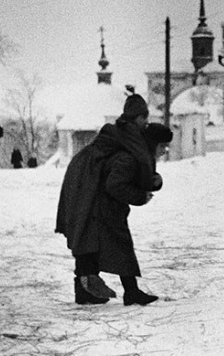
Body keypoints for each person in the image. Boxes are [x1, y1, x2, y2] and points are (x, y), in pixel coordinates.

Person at [56, 94, 166, 306]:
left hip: (88, 184)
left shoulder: (124, 136)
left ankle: (85, 291)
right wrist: (139, 196)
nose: (146, 123)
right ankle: (129, 292)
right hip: (89, 187)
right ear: (136, 118)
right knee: (108, 237)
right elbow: (116, 183)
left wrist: (149, 182)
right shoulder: (128, 142)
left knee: (90, 237)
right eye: (144, 118)